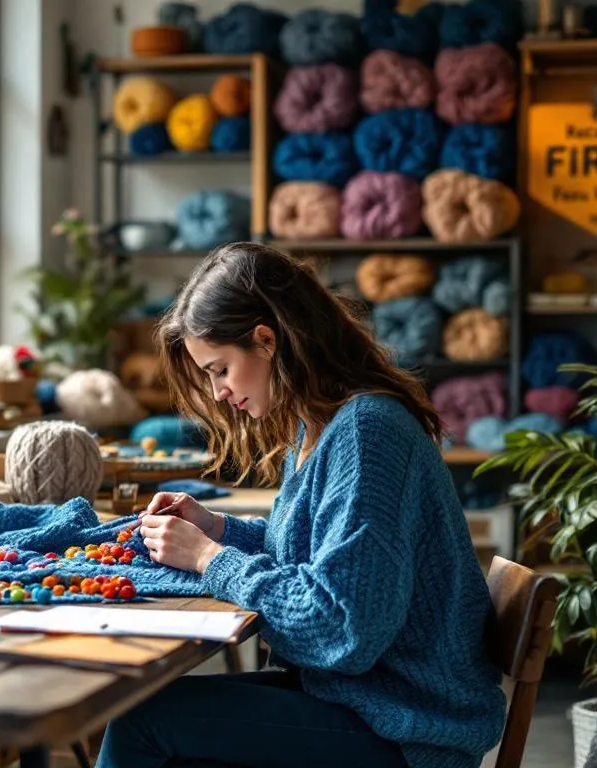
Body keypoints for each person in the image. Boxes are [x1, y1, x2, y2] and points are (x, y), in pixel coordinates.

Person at [98, 243, 506, 768]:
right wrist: (216, 528)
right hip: (364, 699)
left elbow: (341, 626)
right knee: (145, 713)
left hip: (406, 728)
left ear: (266, 340)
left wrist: (207, 558)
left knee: (142, 719)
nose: (218, 392)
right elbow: (312, 556)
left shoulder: (367, 433)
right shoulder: (322, 426)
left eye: (220, 369)